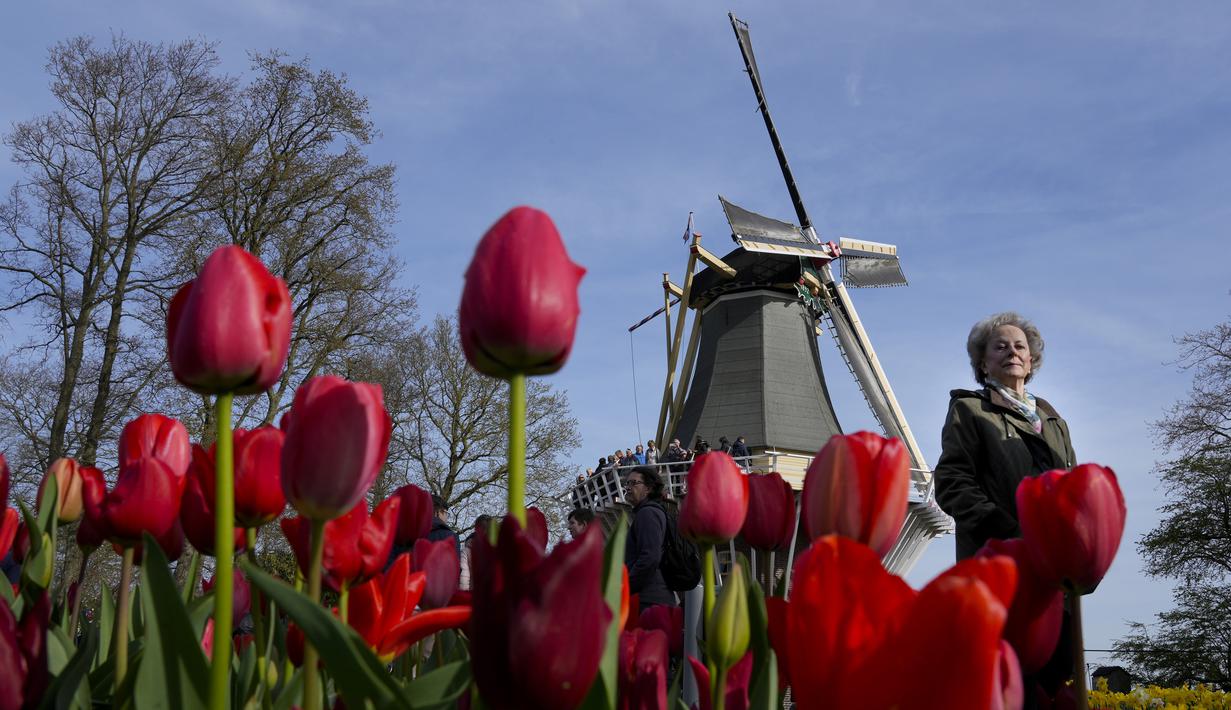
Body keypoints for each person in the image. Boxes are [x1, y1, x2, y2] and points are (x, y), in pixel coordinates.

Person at [934, 312, 1076, 560]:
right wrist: (1005, 530)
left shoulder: (1054, 422)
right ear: (983, 364)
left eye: (1019, 346)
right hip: (998, 561)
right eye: (1001, 347)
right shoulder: (970, 409)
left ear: (1030, 361)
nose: (1012, 352)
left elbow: (1074, 489)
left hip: (1053, 562)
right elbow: (953, 482)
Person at [623, 466, 676, 608]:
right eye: (627, 483)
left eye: (634, 483)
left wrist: (626, 587)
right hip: (653, 596)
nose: (628, 487)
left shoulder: (648, 513)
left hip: (649, 600)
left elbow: (650, 557)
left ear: (649, 488)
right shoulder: (651, 512)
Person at [459, 514, 493, 591]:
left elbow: (464, 577)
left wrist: (464, 596)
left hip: (475, 596)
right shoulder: (499, 549)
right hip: (496, 596)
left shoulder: (466, 551)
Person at [427, 494, 462, 565]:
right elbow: (454, 568)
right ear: (438, 512)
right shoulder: (450, 537)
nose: (447, 518)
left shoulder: (407, 535)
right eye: (446, 513)